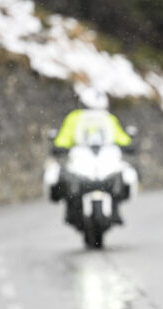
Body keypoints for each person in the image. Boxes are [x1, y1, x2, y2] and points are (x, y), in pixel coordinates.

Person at [49, 87, 134, 226]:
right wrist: (59, 146)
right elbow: (64, 138)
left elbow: (119, 136)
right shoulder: (76, 118)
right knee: (63, 177)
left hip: (103, 160)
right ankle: (72, 208)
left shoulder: (107, 119)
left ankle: (115, 207)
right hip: (82, 159)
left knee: (124, 173)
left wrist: (127, 144)